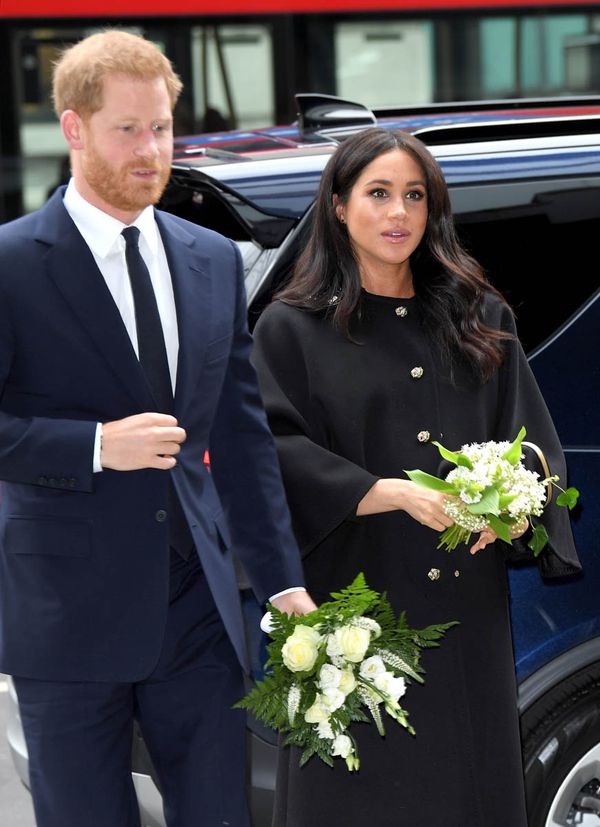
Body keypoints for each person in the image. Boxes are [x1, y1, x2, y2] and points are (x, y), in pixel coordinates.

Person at [0, 30, 315, 827]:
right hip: (67, 622)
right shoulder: (10, 264)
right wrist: (99, 446)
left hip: (200, 615)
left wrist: (282, 583)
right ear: (74, 130)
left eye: (163, 128)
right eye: (128, 130)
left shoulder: (211, 257)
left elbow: (243, 436)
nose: (152, 150)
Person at [251, 127, 581, 827]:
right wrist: (385, 491)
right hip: (353, 618)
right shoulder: (291, 329)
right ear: (338, 206)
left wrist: (514, 509)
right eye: (378, 194)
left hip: (465, 626)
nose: (398, 212)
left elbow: (535, 447)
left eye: (414, 196)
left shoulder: (480, 316)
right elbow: (265, 452)